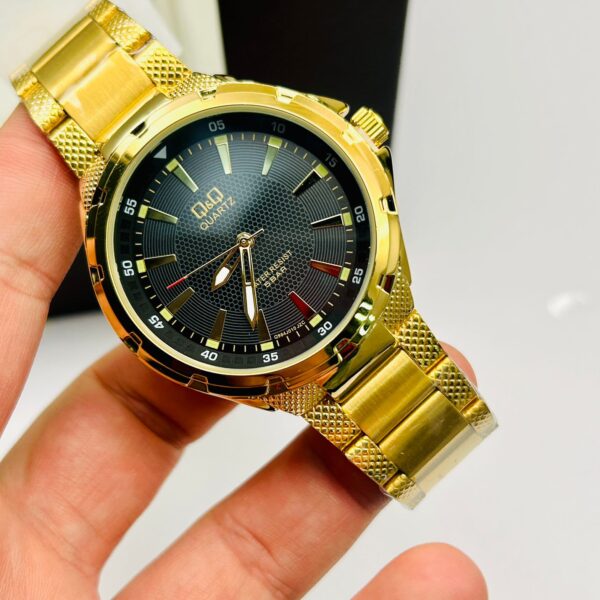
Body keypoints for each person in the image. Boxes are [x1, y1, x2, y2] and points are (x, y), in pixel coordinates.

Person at [0, 107, 488, 599]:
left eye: (244, 232)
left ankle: (441, 429)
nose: (240, 235)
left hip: (365, 313)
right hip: (297, 362)